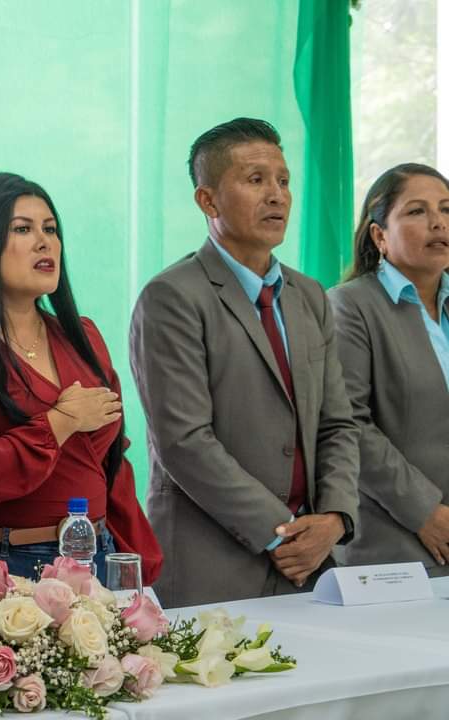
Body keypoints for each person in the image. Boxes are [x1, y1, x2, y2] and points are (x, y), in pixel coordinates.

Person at [129, 117, 360, 608]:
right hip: (212, 566)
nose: (277, 195)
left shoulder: (310, 295)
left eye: (283, 181)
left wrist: (335, 519)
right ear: (208, 201)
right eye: (256, 180)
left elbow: (338, 424)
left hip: (311, 565)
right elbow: (185, 442)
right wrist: (283, 533)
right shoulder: (172, 297)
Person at [0, 172, 162, 592]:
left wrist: (135, 559)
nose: (45, 242)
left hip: (93, 554)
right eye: (23, 229)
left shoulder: (82, 338)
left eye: (50, 229)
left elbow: (111, 462)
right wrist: (60, 421)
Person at [329, 163, 449, 576]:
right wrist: (424, 511)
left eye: (446, 209)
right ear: (379, 236)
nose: (438, 222)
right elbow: (348, 423)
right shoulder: (349, 306)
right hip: (394, 538)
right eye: (417, 211)